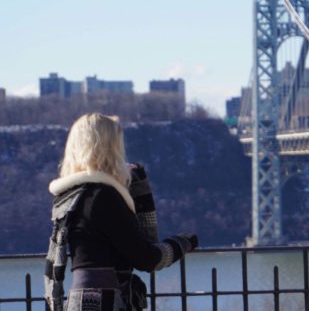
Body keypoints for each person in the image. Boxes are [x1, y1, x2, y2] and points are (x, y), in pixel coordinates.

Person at [43, 113, 198, 311]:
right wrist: (184, 242)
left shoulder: (67, 197)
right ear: (112, 148)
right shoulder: (103, 196)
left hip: (79, 301)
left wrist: (137, 183)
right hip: (107, 302)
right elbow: (148, 257)